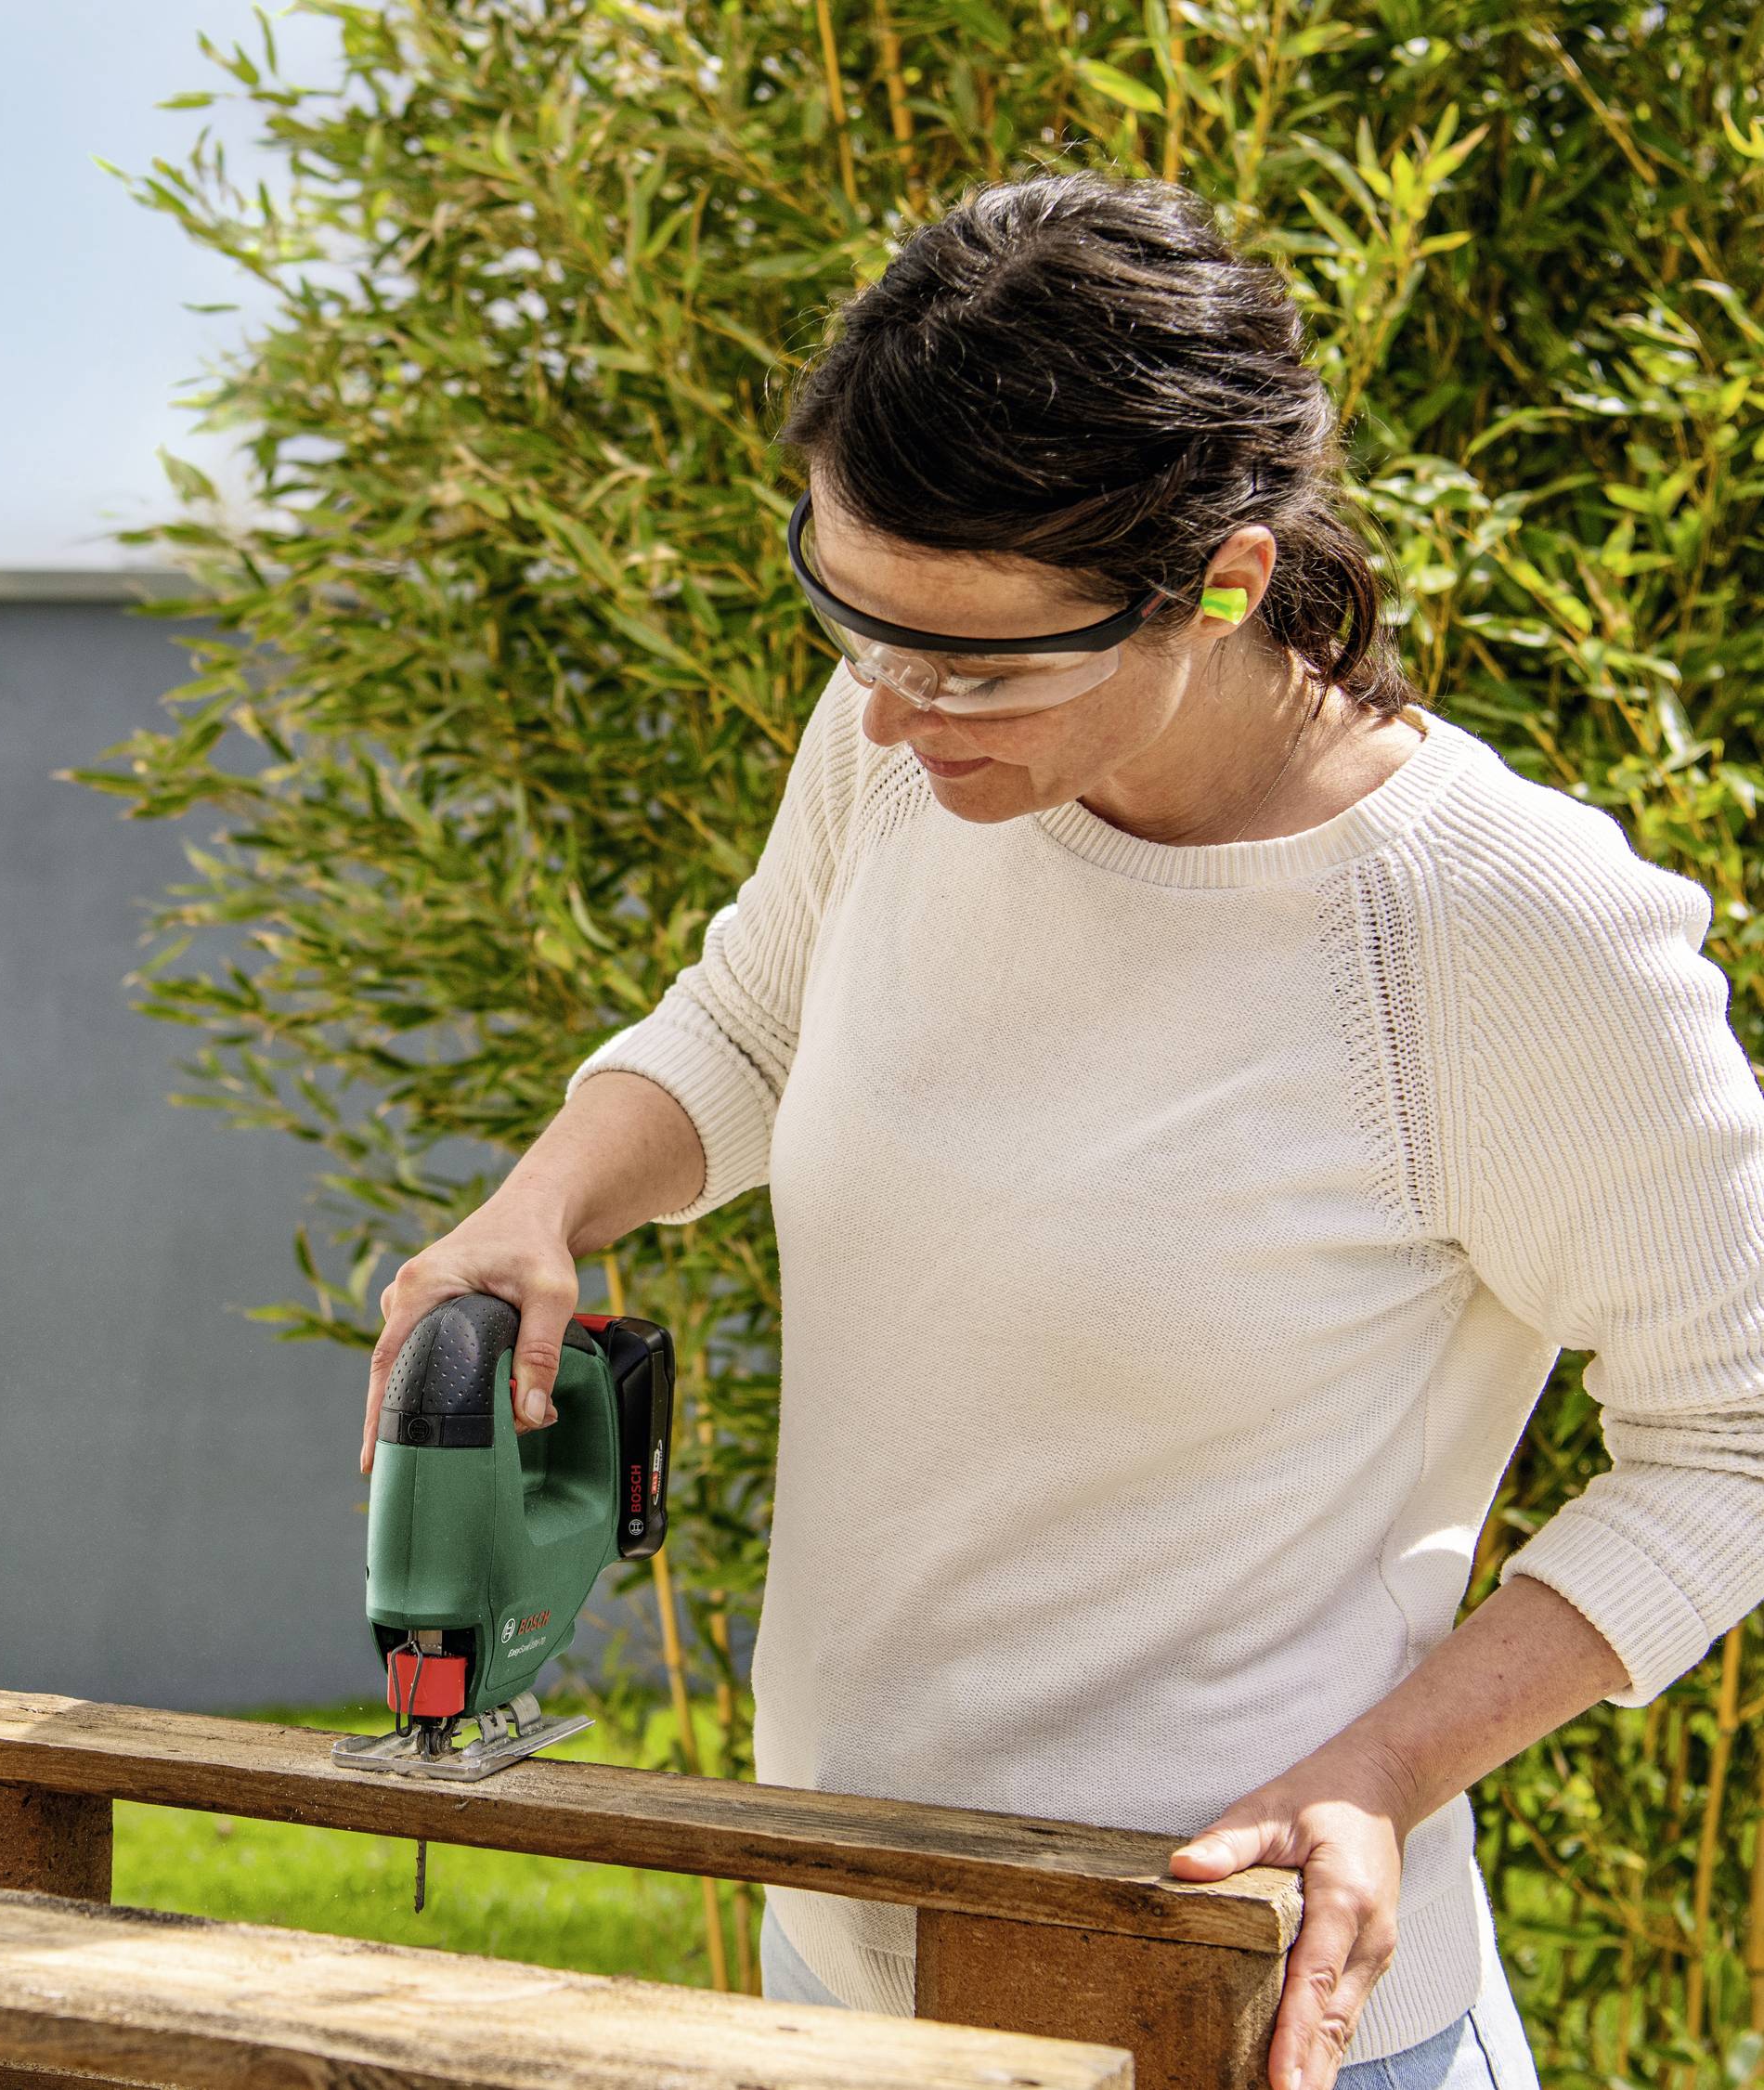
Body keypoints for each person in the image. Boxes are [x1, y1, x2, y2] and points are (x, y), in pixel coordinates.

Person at [356, 173, 1764, 2090]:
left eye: (974, 663)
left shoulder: (1498, 928)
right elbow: (752, 1026)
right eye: (852, 623)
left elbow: (1738, 1440)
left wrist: (1388, 1769)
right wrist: (549, 1199)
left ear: (1228, 581)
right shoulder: (915, 750)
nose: (888, 718)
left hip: (1238, 2010)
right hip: (843, 1954)